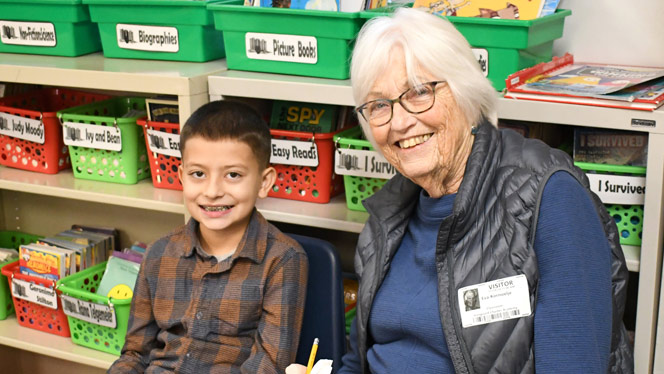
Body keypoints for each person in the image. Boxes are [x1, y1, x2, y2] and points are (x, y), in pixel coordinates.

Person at [287, 7, 633, 374]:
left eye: (419, 93)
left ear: (465, 92)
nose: (400, 122)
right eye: (378, 106)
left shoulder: (550, 196)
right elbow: (358, 362)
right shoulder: (386, 216)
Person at [108, 100, 308, 373]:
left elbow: (268, 366)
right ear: (181, 176)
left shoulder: (283, 260)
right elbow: (134, 354)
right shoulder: (159, 253)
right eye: (198, 174)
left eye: (233, 175)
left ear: (264, 182)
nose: (212, 191)